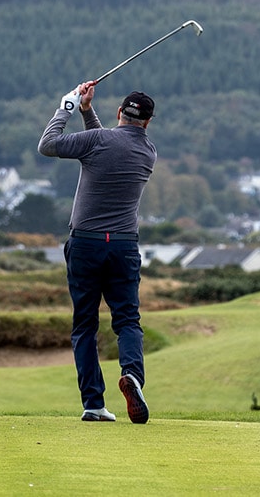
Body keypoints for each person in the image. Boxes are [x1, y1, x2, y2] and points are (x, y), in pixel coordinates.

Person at [38, 80, 156, 424]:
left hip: (86, 243)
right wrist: (89, 112)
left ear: (119, 112)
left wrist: (69, 106)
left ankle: (94, 404)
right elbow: (107, 145)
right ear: (147, 123)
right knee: (128, 320)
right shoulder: (148, 151)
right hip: (122, 245)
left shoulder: (98, 141)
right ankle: (132, 375)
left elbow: (48, 145)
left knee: (85, 326)